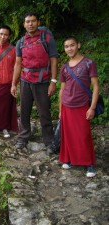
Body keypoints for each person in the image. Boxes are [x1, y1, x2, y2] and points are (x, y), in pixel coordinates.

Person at [11, 12, 58, 153]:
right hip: (25, 81)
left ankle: (49, 141)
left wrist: (53, 81)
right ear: (24, 24)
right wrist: (14, 83)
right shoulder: (20, 42)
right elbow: (18, 64)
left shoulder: (47, 39)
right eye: (27, 21)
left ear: (38, 22)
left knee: (44, 112)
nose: (30, 24)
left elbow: (54, 60)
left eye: (33, 21)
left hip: (43, 81)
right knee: (24, 111)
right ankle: (23, 137)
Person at [59, 37, 98, 178]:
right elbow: (62, 89)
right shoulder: (64, 67)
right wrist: (59, 109)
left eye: (72, 45)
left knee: (83, 135)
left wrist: (92, 107)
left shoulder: (89, 63)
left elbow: (95, 86)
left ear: (78, 45)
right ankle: (69, 159)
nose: (69, 48)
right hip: (66, 105)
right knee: (68, 135)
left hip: (82, 105)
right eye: (66, 46)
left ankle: (90, 163)